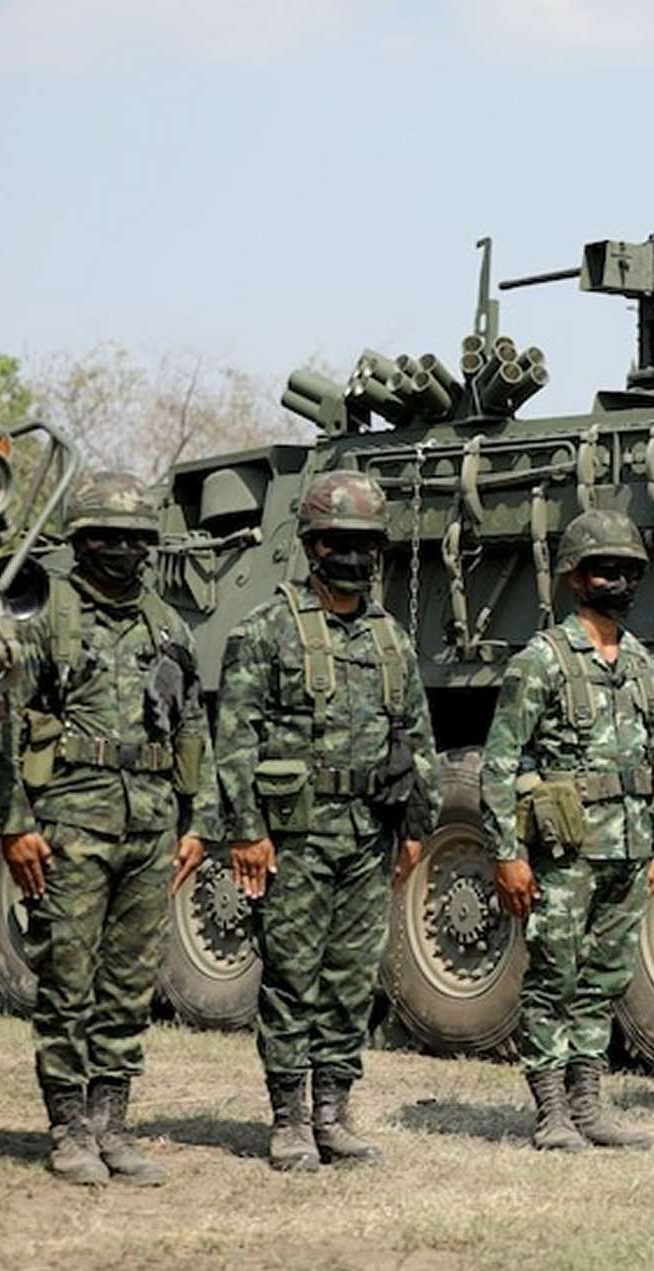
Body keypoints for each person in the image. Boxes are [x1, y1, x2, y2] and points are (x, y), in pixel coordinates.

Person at [0, 470, 218, 1186]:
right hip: (69, 827)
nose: (121, 549)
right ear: (80, 542)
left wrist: (197, 819)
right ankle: (68, 1127)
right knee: (68, 979)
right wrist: (13, 827)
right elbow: (1, 725)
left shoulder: (166, 624)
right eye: (105, 537)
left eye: (134, 538)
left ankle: (112, 1123)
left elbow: (193, 722)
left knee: (129, 984)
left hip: (149, 828)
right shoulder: (48, 618)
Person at [212, 469, 436, 1172]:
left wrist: (415, 827)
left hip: (369, 838)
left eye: (367, 544)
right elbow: (236, 738)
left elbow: (418, 738)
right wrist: (247, 832)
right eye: (341, 542)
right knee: (292, 978)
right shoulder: (267, 629)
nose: (356, 556)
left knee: (349, 980)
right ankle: (289, 1119)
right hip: (296, 841)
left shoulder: (391, 638)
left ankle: (334, 1112)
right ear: (313, 546)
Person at [481, 509, 654, 1153]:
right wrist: (507, 854)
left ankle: (589, 1104)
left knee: (604, 978)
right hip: (566, 853)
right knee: (553, 976)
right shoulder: (542, 660)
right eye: (604, 570)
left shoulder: (645, 665)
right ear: (575, 578)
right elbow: (501, 761)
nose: (617, 581)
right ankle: (551, 1112)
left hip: (628, 847)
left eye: (627, 571)